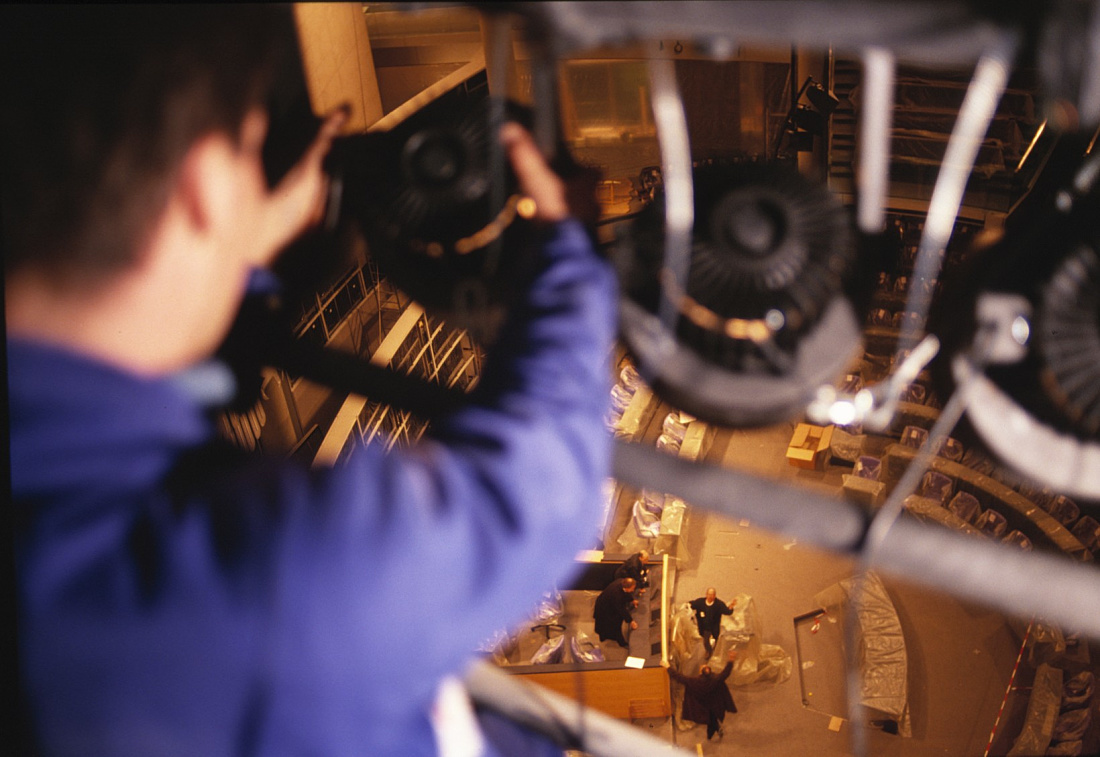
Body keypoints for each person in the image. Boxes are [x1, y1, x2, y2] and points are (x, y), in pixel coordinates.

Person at [3, 7, 616, 757]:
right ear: (200, 186)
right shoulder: (279, 581)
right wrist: (567, 250)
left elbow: (161, 381)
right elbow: (538, 484)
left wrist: (238, 265)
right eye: (246, 154)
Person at [663, 650, 739, 740]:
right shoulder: (715, 680)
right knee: (712, 719)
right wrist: (731, 659)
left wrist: (667, 667)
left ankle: (714, 732)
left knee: (710, 721)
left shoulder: (694, 682)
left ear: (700, 672)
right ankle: (715, 731)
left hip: (701, 706)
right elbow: (726, 673)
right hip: (714, 705)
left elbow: (679, 677)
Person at [593, 577, 639, 648]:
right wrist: (631, 621)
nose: (633, 590)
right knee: (616, 625)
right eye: (632, 588)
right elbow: (621, 610)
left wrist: (632, 600)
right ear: (627, 587)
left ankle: (609, 636)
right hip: (604, 608)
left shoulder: (621, 582)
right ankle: (622, 643)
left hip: (609, 603)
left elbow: (626, 593)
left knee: (611, 624)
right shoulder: (617, 595)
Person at [690, 587, 737, 656]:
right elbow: (692, 604)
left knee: (717, 642)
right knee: (706, 641)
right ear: (706, 594)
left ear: (714, 596)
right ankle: (709, 651)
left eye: (712, 595)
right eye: (709, 594)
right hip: (705, 627)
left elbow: (727, 611)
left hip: (714, 627)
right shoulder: (700, 602)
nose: (710, 596)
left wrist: (732, 606)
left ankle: (714, 653)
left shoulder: (718, 604)